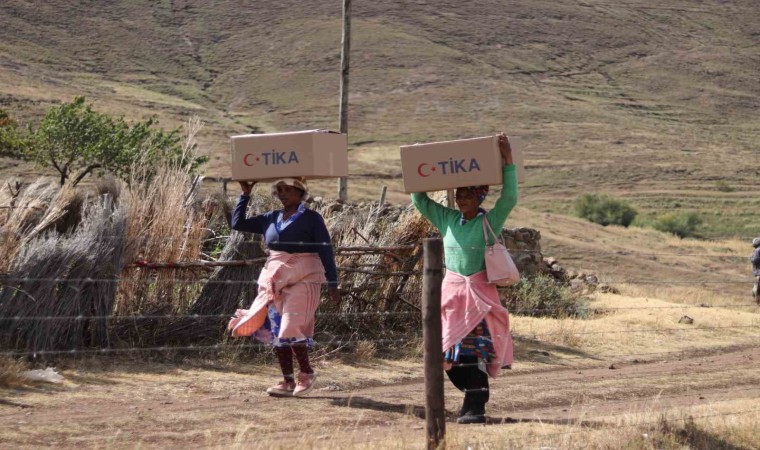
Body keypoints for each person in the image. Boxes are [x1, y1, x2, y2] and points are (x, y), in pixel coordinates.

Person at [411, 133, 518, 424]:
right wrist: (418, 164)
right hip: (451, 298)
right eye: (459, 194)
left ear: (480, 196)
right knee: (447, 357)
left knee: (472, 355)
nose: (461, 199)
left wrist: (508, 160)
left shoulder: (488, 221)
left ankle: (476, 407)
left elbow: (510, 198)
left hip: (479, 298)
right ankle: (473, 398)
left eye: (468, 194)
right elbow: (419, 200)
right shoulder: (446, 219)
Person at [228, 178, 340, 397]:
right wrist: (245, 195)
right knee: (278, 330)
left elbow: (326, 250)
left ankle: (306, 374)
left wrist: (333, 283)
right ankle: (288, 381)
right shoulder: (271, 218)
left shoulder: (311, 219)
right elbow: (237, 224)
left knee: (292, 325)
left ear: (300, 193)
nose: (282, 193)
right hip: (275, 279)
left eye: (288, 189)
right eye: (279, 190)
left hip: (304, 276)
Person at [751, 238, 760, 303]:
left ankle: (757, 298)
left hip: (759, 272)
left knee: (756, 289)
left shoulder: (757, 250)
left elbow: (755, 260)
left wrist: (751, 258)